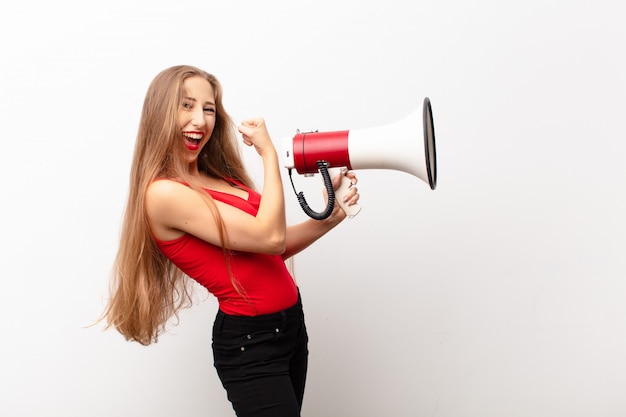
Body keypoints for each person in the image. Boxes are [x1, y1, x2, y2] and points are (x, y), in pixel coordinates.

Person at [102, 65, 360, 417]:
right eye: (186, 105)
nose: (200, 120)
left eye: (208, 109)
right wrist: (270, 154)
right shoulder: (163, 194)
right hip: (251, 344)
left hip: (290, 327)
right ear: (160, 113)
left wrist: (331, 217)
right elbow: (268, 236)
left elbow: (274, 247)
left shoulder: (217, 178)